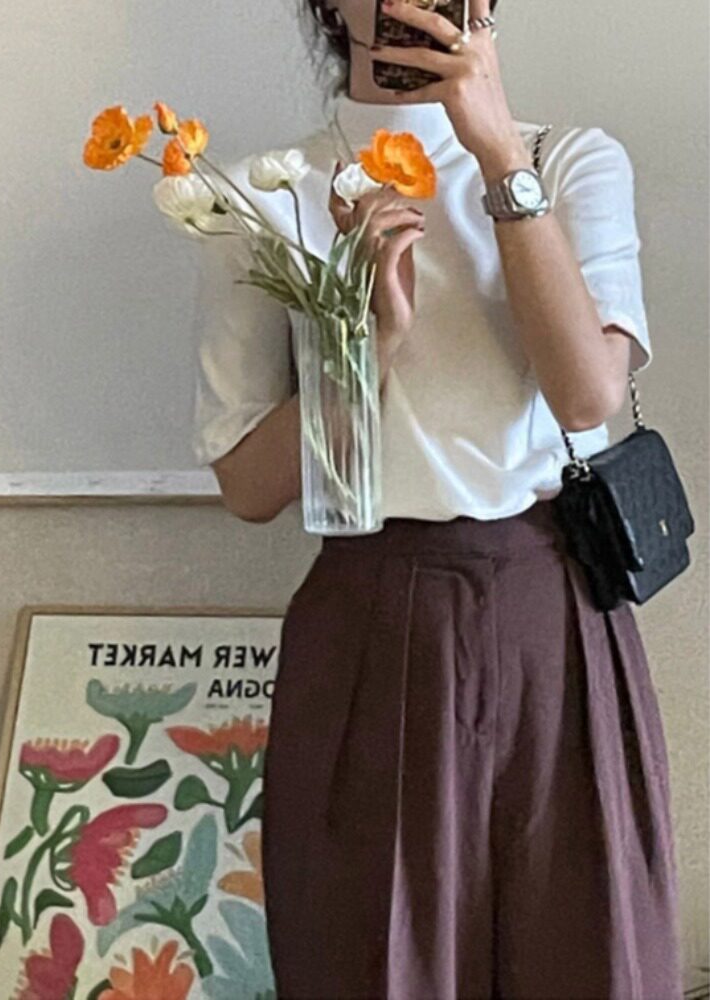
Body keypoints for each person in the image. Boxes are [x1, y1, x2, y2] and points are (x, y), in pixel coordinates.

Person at [191, 0, 685, 996]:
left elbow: (586, 395)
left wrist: (497, 154)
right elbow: (248, 483)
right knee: (374, 961)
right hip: (371, 613)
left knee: (588, 950)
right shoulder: (262, 194)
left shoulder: (569, 160)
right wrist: (366, 342)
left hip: (555, 609)